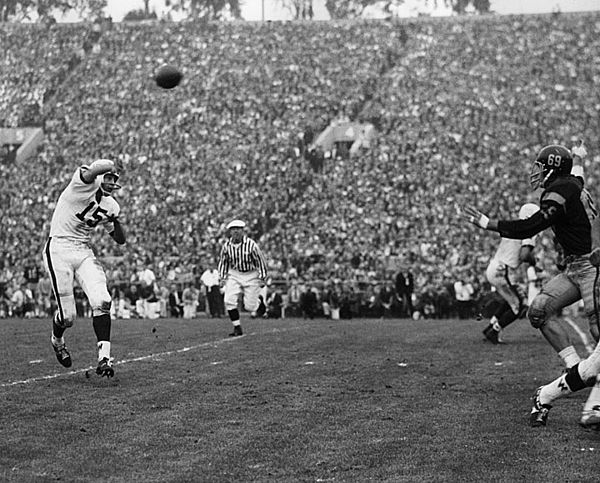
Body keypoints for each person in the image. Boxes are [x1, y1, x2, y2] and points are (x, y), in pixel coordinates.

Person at [463, 143, 600, 428]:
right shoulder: (570, 182)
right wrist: (578, 157)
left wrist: (489, 222)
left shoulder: (559, 192)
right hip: (574, 267)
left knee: (598, 332)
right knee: (537, 311)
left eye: (540, 166)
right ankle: (574, 368)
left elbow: (530, 226)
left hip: (590, 267)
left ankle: (593, 403)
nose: (535, 172)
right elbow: (578, 174)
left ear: (551, 168)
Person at [42, 158, 125, 378]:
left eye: (113, 178)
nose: (110, 181)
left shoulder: (111, 205)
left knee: (103, 300)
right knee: (68, 317)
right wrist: (110, 164)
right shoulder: (81, 184)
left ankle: (104, 358)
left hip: (83, 251)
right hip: (59, 247)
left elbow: (119, 239)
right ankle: (57, 340)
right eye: (107, 177)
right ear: (98, 177)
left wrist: (117, 221)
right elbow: (96, 169)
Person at [480, 202, 539, 344]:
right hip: (503, 270)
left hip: (495, 266)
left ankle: (490, 327)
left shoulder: (515, 226)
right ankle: (494, 330)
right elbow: (525, 254)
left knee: (510, 300)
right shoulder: (528, 229)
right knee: (519, 305)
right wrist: (533, 260)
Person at [217, 219, 268, 336]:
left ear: (243, 231)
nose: (236, 232)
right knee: (228, 300)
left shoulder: (251, 245)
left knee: (250, 307)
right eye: (233, 229)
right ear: (230, 232)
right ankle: (237, 327)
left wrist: (262, 277)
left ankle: (259, 302)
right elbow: (223, 262)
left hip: (251, 274)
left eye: (238, 229)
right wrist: (222, 277)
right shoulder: (226, 246)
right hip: (234, 273)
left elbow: (260, 261)